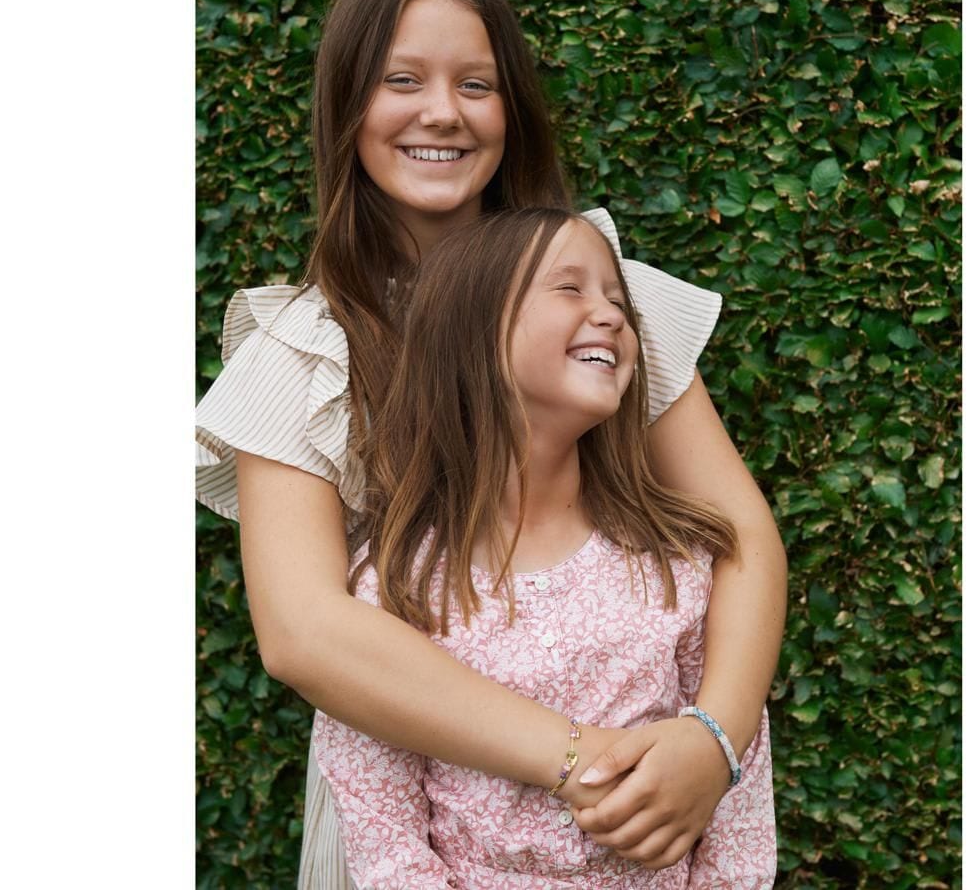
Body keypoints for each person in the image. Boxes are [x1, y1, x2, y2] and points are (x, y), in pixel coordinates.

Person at [195, 0, 787, 888]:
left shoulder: (608, 302)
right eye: (401, 80)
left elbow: (741, 533)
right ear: (347, 108)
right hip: (420, 812)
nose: (443, 111)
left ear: (513, 110)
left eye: (477, 83)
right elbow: (304, 630)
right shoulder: (307, 347)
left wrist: (712, 742)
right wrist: (581, 760)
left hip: (648, 802)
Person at [314, 207, 776, 889]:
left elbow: (736, 791)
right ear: (473, 335)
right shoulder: (394, 588)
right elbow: (385, 838)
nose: (612, 315)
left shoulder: (675, 562)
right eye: (570, 290)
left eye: (616, 300)